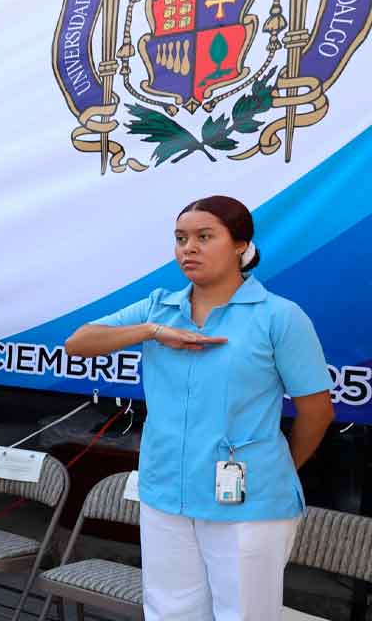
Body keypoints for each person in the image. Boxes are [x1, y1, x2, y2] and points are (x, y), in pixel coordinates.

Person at [65, 195, 334, 621]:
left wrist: (277, 468)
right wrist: (153, 332)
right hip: (165, 490)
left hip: (248, 500)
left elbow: (317, 411)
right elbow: (78, 342)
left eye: (204, 237)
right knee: (169, 610)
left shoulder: (280, 316)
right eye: (180, 238)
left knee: (244, 614)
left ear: (241, 246)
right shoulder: (159, 307)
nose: (188, 248)